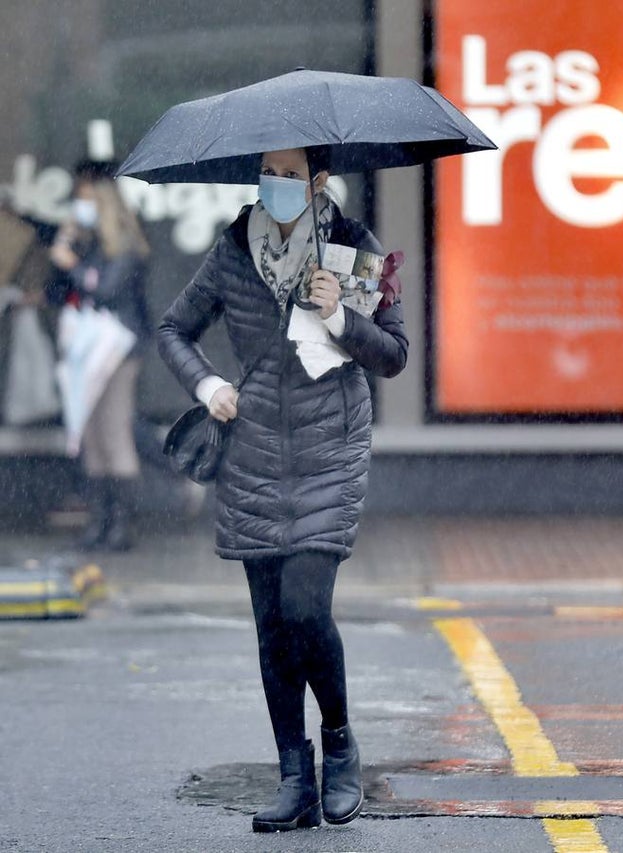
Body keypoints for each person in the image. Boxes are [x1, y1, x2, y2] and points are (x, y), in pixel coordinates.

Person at [156, 145, 407, 833]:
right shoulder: (236, 247)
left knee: (304, 604)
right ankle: (294, 776)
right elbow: (174, 328)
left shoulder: (353, 246)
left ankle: (340, 743)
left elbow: (393, 355)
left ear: (319, 181)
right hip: (254, 449)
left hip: (331, 447)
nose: (277, 185)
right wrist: (208, 384)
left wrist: (340, 316)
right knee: (271, 623)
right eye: (269, 173)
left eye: (292, 175)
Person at [48, 159, 151, 551]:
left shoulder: (125, 246)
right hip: (85, 350)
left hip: (117, 351)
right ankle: (100, 519)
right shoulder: (89, 243)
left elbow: (105, 290)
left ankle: (122, 523)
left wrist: (73, 265)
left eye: (87, 197)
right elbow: (61, 290)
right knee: (90, 435)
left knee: (114, 432)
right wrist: (69, 246)